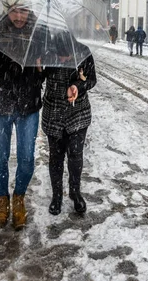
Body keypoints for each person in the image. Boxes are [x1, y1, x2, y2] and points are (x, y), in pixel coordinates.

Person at [0, 0, 44, 230]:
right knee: (0, 156)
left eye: (23, 11)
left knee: (26, 158)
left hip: (29, 104)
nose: (19, 16)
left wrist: (40, 68)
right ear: (7, 10)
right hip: (0, 103)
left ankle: (19, 199)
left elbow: (47, 66)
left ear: (30, 11)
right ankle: (2, 201)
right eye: (14, 11)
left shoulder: (40, 32)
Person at [41, 32, 97, 215]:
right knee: (56, 157)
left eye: (67, 56)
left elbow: (91, 79)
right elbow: (39, 80)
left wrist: (77, 87)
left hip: (78, 113)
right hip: (54, 112)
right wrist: (39, 69)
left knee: (75, 155)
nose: (64, 59)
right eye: (61, 56)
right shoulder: (47, 53)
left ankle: (75, 192)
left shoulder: (84, 52)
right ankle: (57, 196)